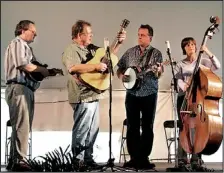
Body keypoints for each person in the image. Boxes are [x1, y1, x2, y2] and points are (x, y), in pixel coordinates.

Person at [61, 20, 126, 168]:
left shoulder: (90, 48)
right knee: (82, 129)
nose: (91, 36)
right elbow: (73, 67)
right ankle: (78, 161)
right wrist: (95, 66)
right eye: (88, 33)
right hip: (82, 95)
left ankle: (88, 159)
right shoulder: (72, 49)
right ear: (79, 34)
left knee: (93, 129)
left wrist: (119, 43)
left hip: (93, 94)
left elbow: (106, 56)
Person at [4, 20, 50, 171]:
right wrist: (41, 70)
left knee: (22, 126)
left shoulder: (26, 47)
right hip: (19, 88)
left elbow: (31, 70)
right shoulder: (18, 43)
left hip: (25, 88)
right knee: (22, 126)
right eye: (33, 31)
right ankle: (19, 161)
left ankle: (15, 161)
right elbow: (23, 64)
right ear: (23, 30)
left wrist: (43, 72)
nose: (35, 34)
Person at [116, 24, 164, 169]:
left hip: (149, 93)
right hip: (132, 94)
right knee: (132, 126)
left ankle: (144, 158)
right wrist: (122, 76)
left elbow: (159, 74)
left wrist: (158, 71)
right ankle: (133, 157)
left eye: (142, 35)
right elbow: (120, 67)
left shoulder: (156, 54)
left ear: (150, 37)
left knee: (147, 126)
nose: (139, 37)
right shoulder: (130, 52)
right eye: (138, 34)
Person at [174, 37, 221, 169]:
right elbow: (177, 80)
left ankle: (196, 160)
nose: (190, 47)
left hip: (199, 100)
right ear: (184, 49)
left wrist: (207, 51)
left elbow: (217, 66)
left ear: (195, 46)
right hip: (184, 98)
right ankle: (182, 160)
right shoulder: (180, 64)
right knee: (183, 128)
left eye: (192, 44)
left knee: (199, 129)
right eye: (187, 45)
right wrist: (185, 85)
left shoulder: (203, 62)